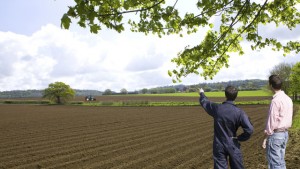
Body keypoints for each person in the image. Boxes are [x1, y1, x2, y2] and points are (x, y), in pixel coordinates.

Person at [199, 86, 254, 169]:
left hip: (219, 144)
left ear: (225, 95)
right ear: (236, 96)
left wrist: (202, 93)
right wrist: (240, 138)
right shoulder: (240, 113)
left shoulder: (217, 108)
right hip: (233, 143)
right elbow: (249, 129)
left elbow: (205, 102)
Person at [262, 75, 293, 169]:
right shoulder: (288, 99)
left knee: (274, 164)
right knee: (281, 162)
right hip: (285, 134)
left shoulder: (275, 101)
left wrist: (265, 138)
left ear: (271, 85)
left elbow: (271, 122)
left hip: (276, 135)